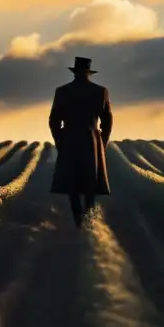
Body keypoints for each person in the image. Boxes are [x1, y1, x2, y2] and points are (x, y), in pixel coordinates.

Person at [48, 56, 113, 227]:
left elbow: (54, 120)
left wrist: (59, 139)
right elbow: (107, 120)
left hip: (70, 138)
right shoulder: (101, 91)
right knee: (91, 181)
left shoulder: (62, 91)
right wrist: (103, 140)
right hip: (92, 138)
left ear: (75, 72)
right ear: (88, 73)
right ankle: (88, 218)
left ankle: (78, 218)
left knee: (72, 181)